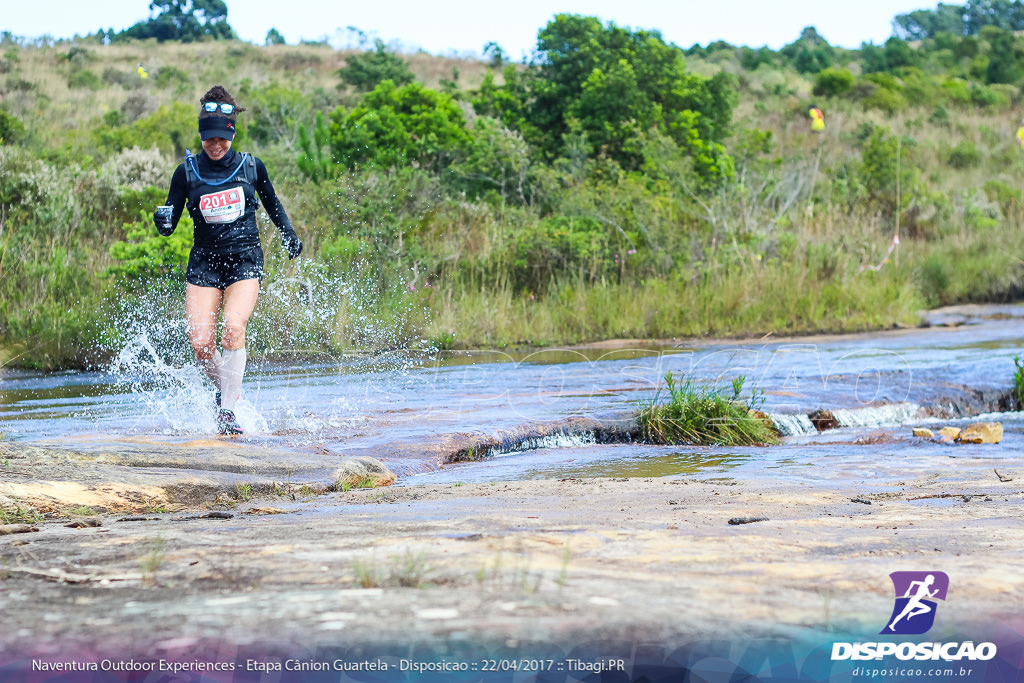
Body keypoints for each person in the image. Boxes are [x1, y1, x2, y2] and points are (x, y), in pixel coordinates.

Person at [154, 85, 302, 435]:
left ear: (232, 134)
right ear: (201, 135)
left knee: (233, 331)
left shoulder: (251, 166)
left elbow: (272, 203)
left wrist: (288, 233)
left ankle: (227, 412)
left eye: (222, 139)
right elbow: (169, 222)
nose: (216, 145)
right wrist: (161, 222)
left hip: (244, 262)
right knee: (201, 343)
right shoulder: (186, 173)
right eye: (209, 139)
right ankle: (227, 392)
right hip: (204, 264)